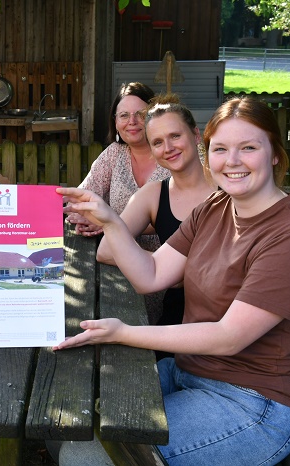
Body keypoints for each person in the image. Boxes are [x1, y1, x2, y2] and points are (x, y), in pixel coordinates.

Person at [54, 97, 290, 465]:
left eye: (248, 147)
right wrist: (111, 222)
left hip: (254, 401)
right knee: (69, 414)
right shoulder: (214, 208)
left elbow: (229, 336)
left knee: (85, 455)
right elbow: (150, 275)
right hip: (189, 370)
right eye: (221, 149)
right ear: (208, 152)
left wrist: (123, 332)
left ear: (275, 154)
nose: (232, 161)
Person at [97, 94, 216, 359]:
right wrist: (163, 267)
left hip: (223, 326)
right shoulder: (153, 195)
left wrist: (184, 271)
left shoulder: (226, 188)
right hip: (173, 327)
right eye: (158, 142)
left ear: (196, 135)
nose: (168, 148)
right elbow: (106, 250)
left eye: (175, 136)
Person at [67, 82, 170, 241]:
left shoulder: (172, 152)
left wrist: (109, 223)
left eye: (140, 114)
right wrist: (86, 216)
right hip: (117, 253)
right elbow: (78, 200)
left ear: (154, 116)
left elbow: (187, 216)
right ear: (115, 122)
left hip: (171, 253)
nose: (132, 121)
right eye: (124, 115)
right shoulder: (114, 153)